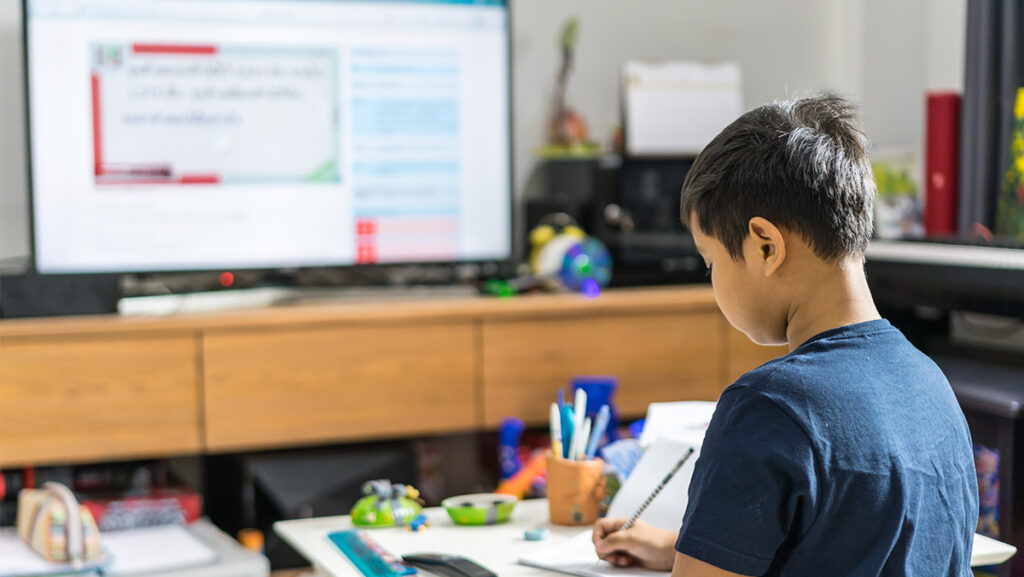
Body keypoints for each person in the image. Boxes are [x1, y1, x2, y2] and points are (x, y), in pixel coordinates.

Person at [592, 94, 978, 576]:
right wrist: (685, 547)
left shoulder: (768, 407)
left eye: (710, 261)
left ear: (765, 245)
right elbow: (845, 541)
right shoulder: (929, 386)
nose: (712, 279)